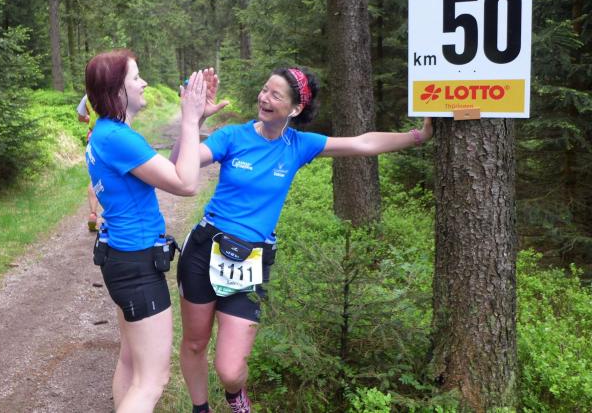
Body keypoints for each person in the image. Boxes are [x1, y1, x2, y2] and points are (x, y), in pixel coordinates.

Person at [174, 67, 433, 413]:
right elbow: (181, 166)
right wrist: (192, 121)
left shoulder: (298, 146)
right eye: (264, 89)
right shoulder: (232, 136)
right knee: (195, 343)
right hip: (204, 249)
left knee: (230, 370)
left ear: (295, 109)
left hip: (251, 260)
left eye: (275, 95)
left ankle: (235, 393)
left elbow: (363, 143)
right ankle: (200, 408)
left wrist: (418, 136)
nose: (264, 98)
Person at [84, 49, 208, 412]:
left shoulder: (108, 133)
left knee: (130, 361)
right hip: (137, 264)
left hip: (121, 258)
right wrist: (188, 120)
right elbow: (186, 183)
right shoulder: (117, 138)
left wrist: (195, 122)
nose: (144, 83)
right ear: (116, 90)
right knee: (153, 380)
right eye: (136, 77)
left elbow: (169, 170)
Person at [76, 94, 101, 231]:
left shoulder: (88, 96)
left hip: (93, 137)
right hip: (111, 135)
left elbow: (80, 117)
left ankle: (93, 214)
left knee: (94, 177)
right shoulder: (113, 90)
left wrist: (91, 119)